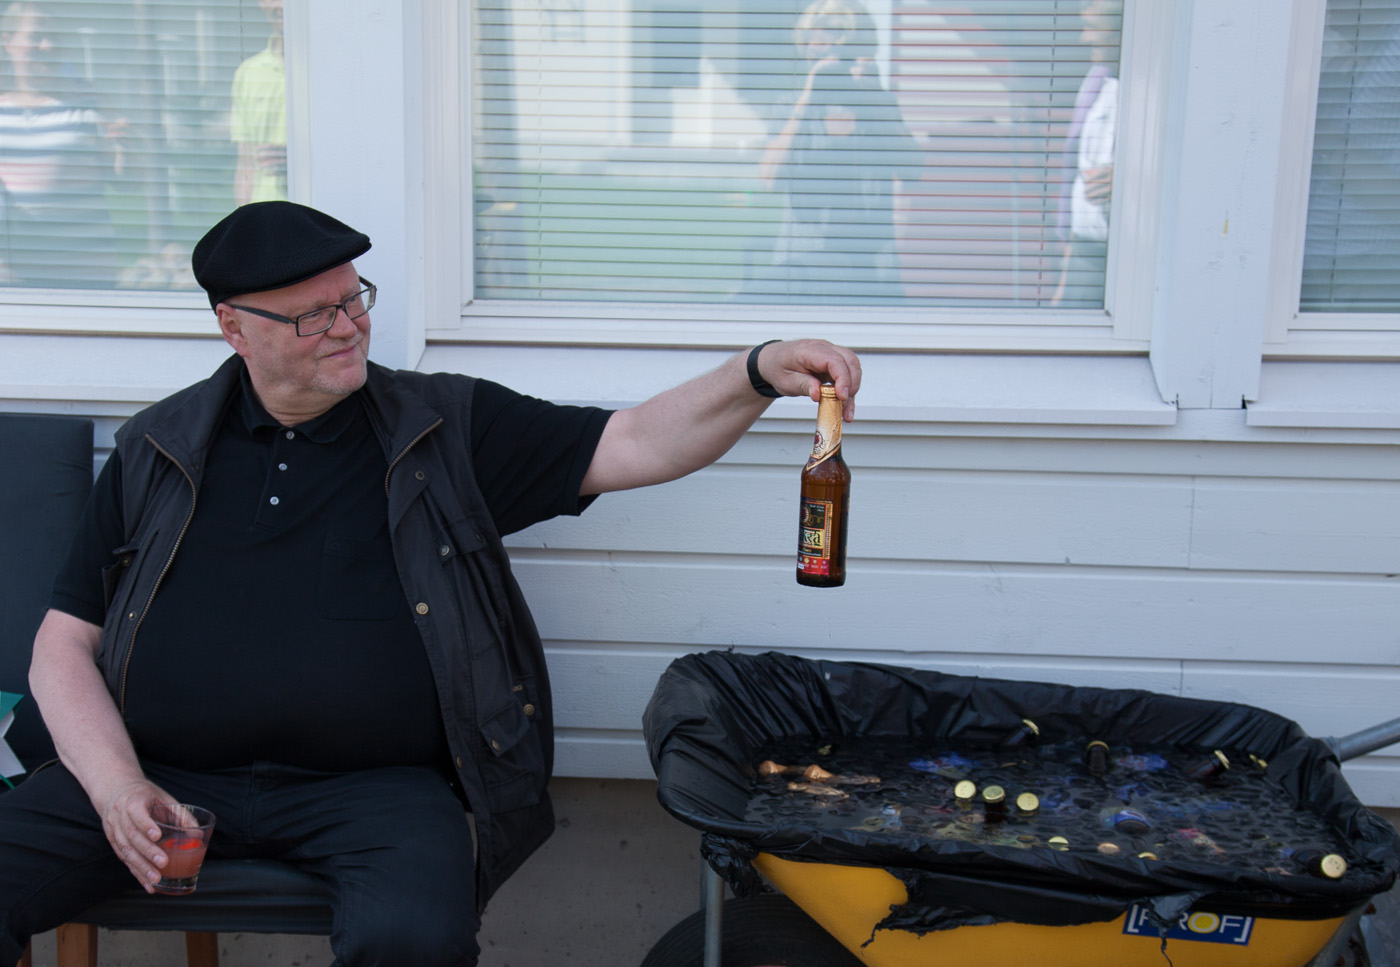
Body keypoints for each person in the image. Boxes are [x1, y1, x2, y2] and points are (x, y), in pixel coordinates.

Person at [0, 201, 861, 967]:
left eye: (354, 299)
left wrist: (756, 370)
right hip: (158, 774)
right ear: (235, 328)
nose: (348, 327)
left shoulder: (444, 427)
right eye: (314, 314)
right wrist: (116, 787)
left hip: (372, 790)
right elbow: (63, 642)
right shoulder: (157, 446)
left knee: (414, 938)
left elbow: (635, 441)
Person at [753, 0, 921, 304]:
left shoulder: (878, 106)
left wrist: (874, 97)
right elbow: (769, 179)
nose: (815, 52)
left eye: (829, 47)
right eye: (811, 45)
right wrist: (807, 98)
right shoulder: (792, 107)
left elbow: (913, 171)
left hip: (872, 272)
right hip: (804, 270)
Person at [0, 1, 119, 287]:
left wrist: (125, 143)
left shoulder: (88, 105)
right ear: (7, 42)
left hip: (88, 274)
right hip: (19, 280)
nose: (48, 46)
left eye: (54, 37)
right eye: (36, 36)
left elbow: (128, 180)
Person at [1053, 0, 1119, 307]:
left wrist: (1129, 183)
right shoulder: (1097, 83)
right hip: (1084, 253)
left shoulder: (1152, 89)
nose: (1084, 38)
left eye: (1093, 27)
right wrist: (1065, 279)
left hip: (1122, 255)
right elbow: (1076, 175)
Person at [231, 0, 287, 205]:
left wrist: (300, 161)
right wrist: (244, 219)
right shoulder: (248, 73)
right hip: (263, 213)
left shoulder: (325, 69)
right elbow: (245, 164)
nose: (282, 5)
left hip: (315, 216)